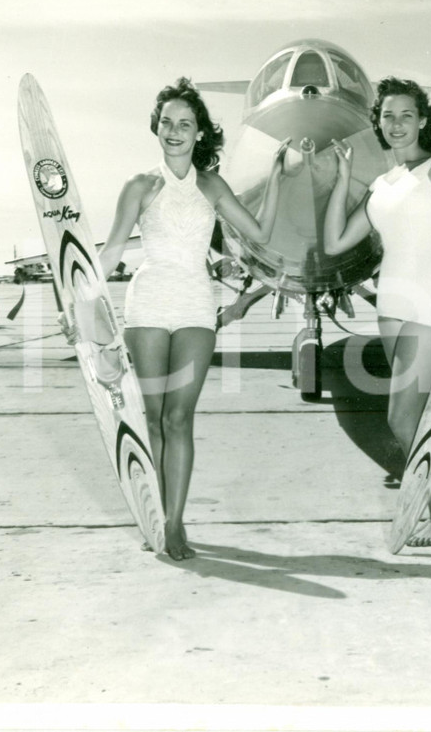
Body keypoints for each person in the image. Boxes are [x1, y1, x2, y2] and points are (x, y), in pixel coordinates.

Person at [64, 77, 287, 560]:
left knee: (180, 416)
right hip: (148, 304)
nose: (174, 131)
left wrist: (277, 178)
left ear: (199, 132)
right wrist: (78, 302)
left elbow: (262, 233)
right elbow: (114, 250)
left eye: (185, 124)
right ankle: (157, 515)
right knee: (154, 419)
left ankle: (176, 523)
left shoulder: (211, 184)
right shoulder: (140, 185)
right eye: (167, 122)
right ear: (156, 127)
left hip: (195, 306)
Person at [323, 77, 431, 547]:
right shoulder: (382, 184)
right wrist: (344, 182)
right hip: (391, 303)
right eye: (387, 116)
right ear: (377, 124)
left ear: (424, 120)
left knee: (404, 419)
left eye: (406, 115)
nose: (396, 124)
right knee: (410, 416)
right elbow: (335, 242)